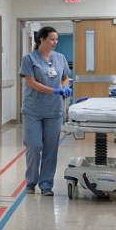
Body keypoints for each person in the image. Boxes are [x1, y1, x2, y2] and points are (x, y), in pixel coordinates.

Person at [20, 25, 72, 196]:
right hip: (33, 109)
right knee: (34, 146)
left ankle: (46, 185)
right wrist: (54, 91)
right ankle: (31, 182)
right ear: (41, 39)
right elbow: (32, 83)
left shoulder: (60, 58)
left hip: (53, 110)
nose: (55, 42)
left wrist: (65, 87)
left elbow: (65, 77)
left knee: (51, 149)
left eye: (56, 39)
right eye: (52, 39)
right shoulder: (29, 59)